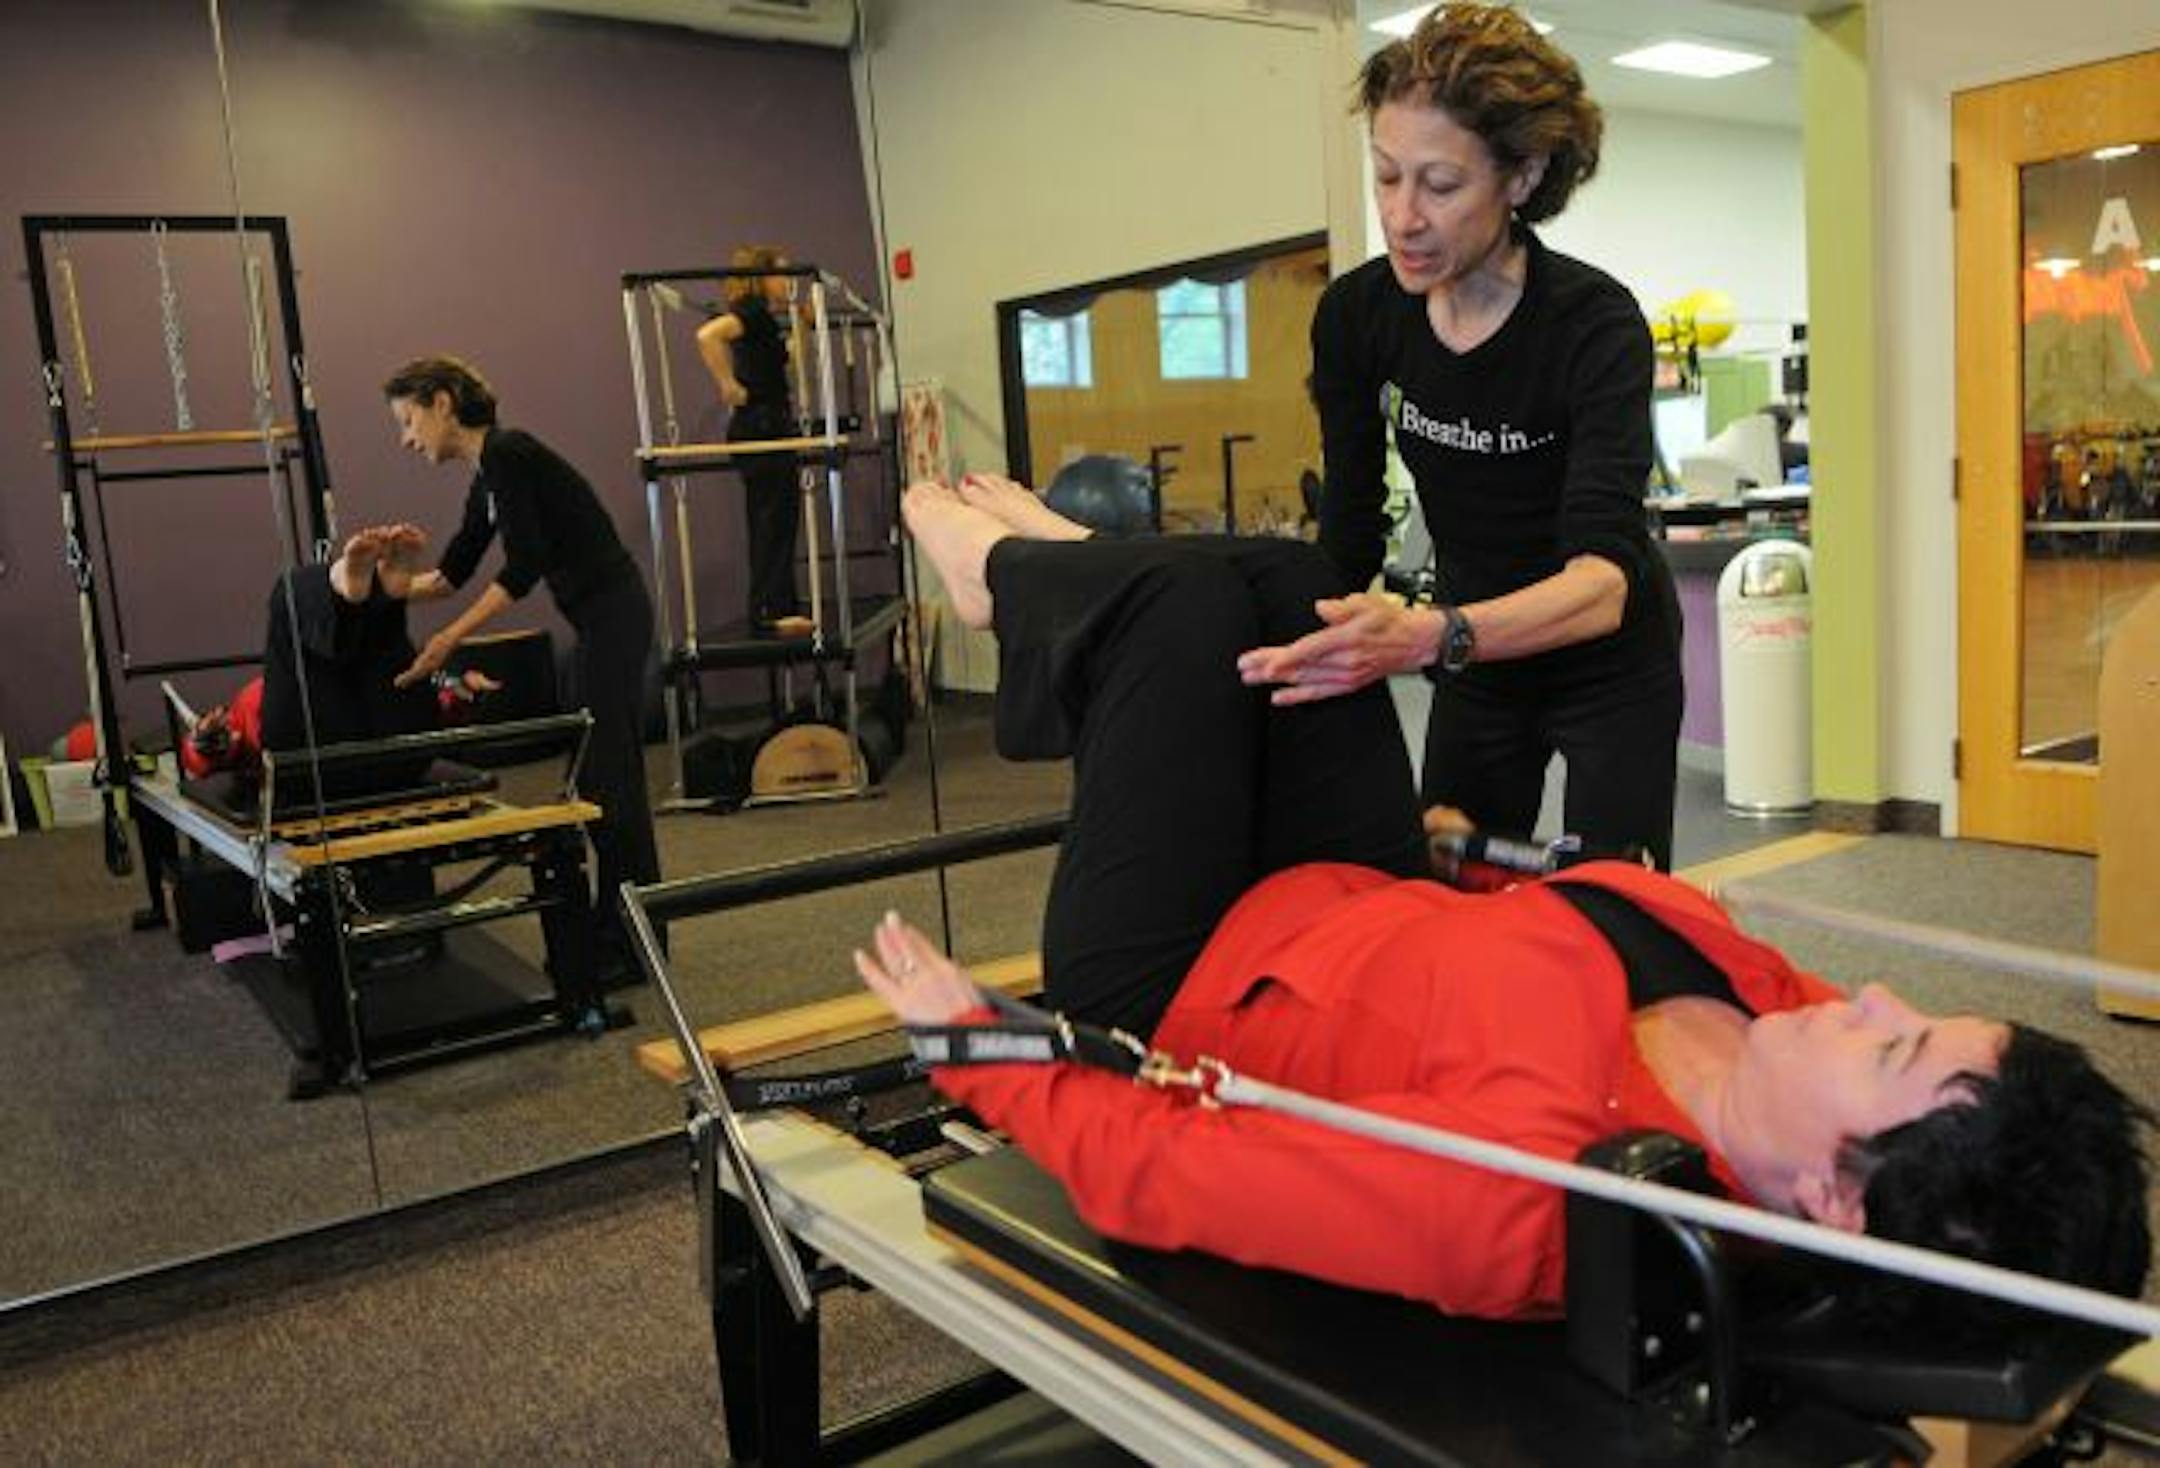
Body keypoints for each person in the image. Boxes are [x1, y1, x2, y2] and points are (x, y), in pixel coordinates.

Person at [860, 479, 2152, 1331]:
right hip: (1371, 889)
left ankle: (1029, 585)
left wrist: (978, 1048)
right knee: (1293, 583)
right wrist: (1480, 857)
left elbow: (1173, 1174)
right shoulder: (1782, 1031)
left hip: (1192, 972)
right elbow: (1602, 916)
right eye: (1917, 1015)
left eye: (1896, 1046)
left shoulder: (1530, 1195)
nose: (1868, 1000)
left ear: (1832, 1202)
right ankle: (1066, 591)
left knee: (1180, 606)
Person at [1241, 3, 1684, 870]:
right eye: (1386, 176)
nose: (1403, 217)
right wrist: (1292, 638)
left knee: (1618, 912)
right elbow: (1351, 532)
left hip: (1607, 663)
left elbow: (1603, 582)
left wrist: (1432, 633)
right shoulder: (1359, 317)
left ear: (1521, 178)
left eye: (1440, 186)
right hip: (1477, 666)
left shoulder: (1593, 326)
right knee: (1445, 890)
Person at [381, 356, 661, 966]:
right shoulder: (488, 473)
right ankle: (615, 935)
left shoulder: (509, 454)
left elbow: (524, 566)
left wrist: (448, 640)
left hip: (614, 617)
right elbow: (453, 571)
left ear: (442, 405)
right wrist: (382, 578)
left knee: (610, 782)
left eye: (409, 420)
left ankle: (635, 946)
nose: (407, 438)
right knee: (597, 778)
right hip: (596, 622)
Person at [179, 528, 499, 780]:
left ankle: (360, 592)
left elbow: (197, 764)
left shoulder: (259, 702)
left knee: (289, 593)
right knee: (374, 648)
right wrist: (207, 744)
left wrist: (460, 695)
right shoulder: (238, 725)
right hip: (375, 762)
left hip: (362, 751)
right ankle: (382, 595)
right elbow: (197, 765)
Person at [696, 245, 808, 633]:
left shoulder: (764, 320)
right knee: (771, 520)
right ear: (762, 278)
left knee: (779, 518)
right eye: (781, 274)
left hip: (769, 423)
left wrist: (802, 324)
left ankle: (779, 607)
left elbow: (787, 364)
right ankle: (768, 614)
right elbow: (708, 335)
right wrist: (728, 386)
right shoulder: (753, 312)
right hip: (760, 425)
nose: (788, 281)